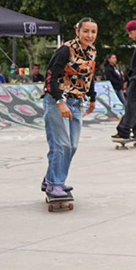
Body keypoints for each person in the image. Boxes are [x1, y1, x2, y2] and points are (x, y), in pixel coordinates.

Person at [41, 18, 99, 201]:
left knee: (72, 145)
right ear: (77, 31)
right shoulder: (66, 50)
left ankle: (51, 179)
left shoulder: (92, 52)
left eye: (93, 32)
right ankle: (55, 183)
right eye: (86, 31)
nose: (89, 36)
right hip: (58, 101)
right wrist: (60, 101)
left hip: (77, 102)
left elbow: (89, 76)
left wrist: (92, 98)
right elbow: (50, 77)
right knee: (61, 145)